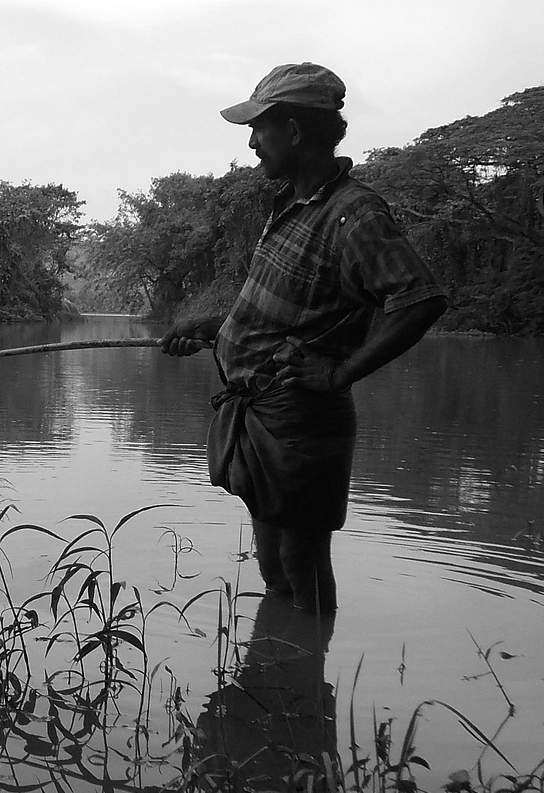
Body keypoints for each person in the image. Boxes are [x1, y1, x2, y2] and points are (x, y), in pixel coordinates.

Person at [161, 62, 448, 613]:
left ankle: (310, 678)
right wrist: (213, 330)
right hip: (263, 413)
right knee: (273, 563)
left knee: (302, 561)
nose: (251, 143)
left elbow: (421, 299)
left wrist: (339, 374)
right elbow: (298, 311)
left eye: (259, 129)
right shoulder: (293, 207)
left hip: (302, 421)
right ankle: (283, 674)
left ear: (293, 131)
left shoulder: (353, 214)